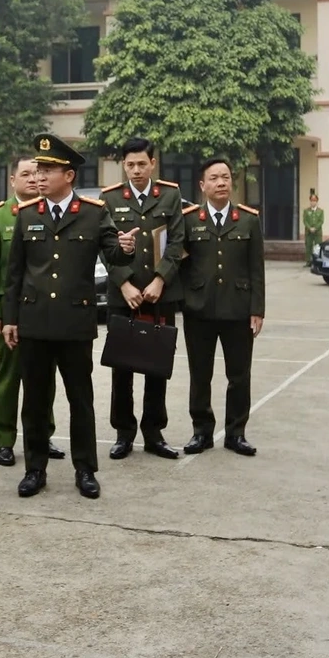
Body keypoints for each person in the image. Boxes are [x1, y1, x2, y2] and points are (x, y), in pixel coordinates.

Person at [2, 135, 133, 498]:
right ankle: (35, 469)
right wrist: (10, 319)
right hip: (34, 323)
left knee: (81, 399)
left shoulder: (93, 213)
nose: (40, 176)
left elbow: (114, 255)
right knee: (34, 401)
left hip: (75, 323)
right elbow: (14, 275)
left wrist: (126, 248)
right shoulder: (28, 214)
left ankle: (85, 469)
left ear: (69, 175)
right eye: (38, 169)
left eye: (48, 170)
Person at [101, 138, 186, 460]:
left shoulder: (170, 195)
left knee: (156, 366)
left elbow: (177, 241)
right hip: (123, 297)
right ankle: (123, 433)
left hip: (158, 295)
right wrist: (124, 283)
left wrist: (160, 279)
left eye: (141, 164)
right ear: (124, 166)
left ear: (153, 164)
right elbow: (105, 246)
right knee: (121, 368)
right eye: (130, 164)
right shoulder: (110, 198)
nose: (136, 170)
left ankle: (154, 433)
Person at [0, 157, 63, 467]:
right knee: (9, 377)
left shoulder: (52, 213)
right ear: (12, 180)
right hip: (11, 312)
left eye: (38, 173)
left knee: (44, 377)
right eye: (25, 174)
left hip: (44, 310)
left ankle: (43, 434)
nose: (33, 179)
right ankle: (5, 438)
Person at [180, 157, 265, 457]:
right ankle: (201, 432)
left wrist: (257, 309)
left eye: (226, 177)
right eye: (214, 178)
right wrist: (184, 301)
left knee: (239, 376)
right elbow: (180, 264)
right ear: (202, 185)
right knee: (199, 375)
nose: (221, 183)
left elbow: (256, 269)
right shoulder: (189, 220)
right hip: (199, 310)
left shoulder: (248, 220)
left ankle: (236, 433)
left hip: (238, 310)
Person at [302, 190, 324, 269]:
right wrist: (309, 228)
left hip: (317, 232)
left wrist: (315, 228)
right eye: (311, 200)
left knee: (317, 247)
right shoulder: (306, 211)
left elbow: (321, 221)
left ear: (317, 201)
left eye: (314, 200)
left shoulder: (320, 211)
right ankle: (308, 261)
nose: (313, 202)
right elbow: (305, 221)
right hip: (309, 232)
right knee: (308, 246)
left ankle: (317, 261)